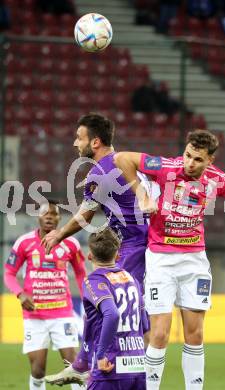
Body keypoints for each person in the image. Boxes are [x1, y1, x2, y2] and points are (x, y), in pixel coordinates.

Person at [114, 129, 225, 390]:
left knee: (195, 334)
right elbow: (122, 158)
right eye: (188, 155)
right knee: (159, 334)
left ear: (210, 160)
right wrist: (141, 194)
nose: (190, 163)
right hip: (160, 260)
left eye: (197, 159)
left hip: (194, 261)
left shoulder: (217, 179)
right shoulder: (165, 166)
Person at [41, 113, 150, 383]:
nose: (75, 144)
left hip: (131, 247)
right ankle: (87, 363)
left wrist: (59, 235)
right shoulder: (127, 163)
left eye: (79, 138)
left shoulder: (99, 172)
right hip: (143, 244)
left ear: (96, 142)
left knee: (106, 299)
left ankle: (94, 365)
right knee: (126, 304)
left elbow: (85, 216)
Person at [45, 228, 148, 389]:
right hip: (138, 368)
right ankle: (79, 367)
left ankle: (81, 367)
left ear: (90, 256)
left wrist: (100, 355)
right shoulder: (132, 279)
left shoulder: (93, 281)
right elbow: (145, 326)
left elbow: (112, 314)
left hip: (109, 367)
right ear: (117, 255)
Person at [4, 200, 86, 390]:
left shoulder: (71, 244)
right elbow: (9, 273)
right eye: (45, 213)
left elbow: (81, 274)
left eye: (54, 214)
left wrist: (86, 301)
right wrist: (20, 294)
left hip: (62, 313)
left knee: (73, 365)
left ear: (59, 218)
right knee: (38, 369)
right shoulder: (24, 243)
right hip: (35, 316)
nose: (49, 216)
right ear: (38, 217)